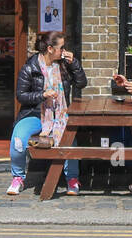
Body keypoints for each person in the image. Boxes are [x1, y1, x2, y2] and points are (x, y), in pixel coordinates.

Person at [7, 31, 87, 197]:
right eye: (61, 48)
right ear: (50, 48)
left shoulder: (64, 65)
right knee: (18, 139)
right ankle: (17, 178)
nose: (64, 51)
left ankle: (72, 179)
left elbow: (81, 83)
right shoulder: (30, 68)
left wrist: (75, 64)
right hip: (35, 114)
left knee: (69, 139)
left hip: (60, 115)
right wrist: (42, 95)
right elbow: (21, 96)